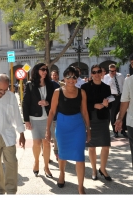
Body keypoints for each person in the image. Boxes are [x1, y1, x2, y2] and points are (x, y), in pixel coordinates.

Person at [45, 66, 91, 194]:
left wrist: (89, 129)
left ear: (77, 79)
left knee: (80, 156)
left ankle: (80, 186)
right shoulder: (57, 92)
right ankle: (61, 174)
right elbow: (52, 111)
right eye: (68, 76)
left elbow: (85, 112)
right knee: (62, 154)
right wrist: (47, 130)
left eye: (74, 77)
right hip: (62, 126)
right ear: (64, 78)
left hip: (78, 126)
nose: (71, 79)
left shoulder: (81, 92)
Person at [22, 63, 55, 178]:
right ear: (36, 71)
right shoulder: (30, 84)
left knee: (46, 142)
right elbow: (25, 103)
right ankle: (36, 161)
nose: (45, 71)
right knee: (37, 142)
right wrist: (26, 120)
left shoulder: (51, 84)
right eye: (42, 69)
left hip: (48, 118)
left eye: (46, 70)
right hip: (35, 118)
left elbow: (55, 100)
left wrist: (48, 103)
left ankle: (46, 167)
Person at [81, 65, 112, 182]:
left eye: (99, 71)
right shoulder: (85, 87)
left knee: (105, 145)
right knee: (92, 146)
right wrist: (94, 105)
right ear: (91, 74)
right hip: (90, 118)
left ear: (102, 73)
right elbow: (82, 104)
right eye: (94, 72)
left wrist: (107, 104)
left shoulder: (106, 87)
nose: (97, 74)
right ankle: (94, 170)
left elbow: (111, 103)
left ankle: (103, 169)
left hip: (103, 119)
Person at [115, 74, 133, 170]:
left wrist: (120, 119)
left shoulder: (129, 80)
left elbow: (125, 101)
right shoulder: (129, 80)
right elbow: (125, 101)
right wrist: (120, 119)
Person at [103, 64, 127, 138]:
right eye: (111, 71)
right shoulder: (106, 77)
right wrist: (111, 78)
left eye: (114, 71)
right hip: (113, 96)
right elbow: (106, 87)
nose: (113, 72)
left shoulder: (120, 75)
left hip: (121, 95)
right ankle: (115, 131)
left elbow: (124, 85)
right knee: (113, 114)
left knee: (123, 113)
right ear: (109, 70)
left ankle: (123, 130)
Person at [50, 70, 64, 161]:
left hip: (59, 113)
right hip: (50, 113)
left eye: (56, 75)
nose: (55, 76)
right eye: (53, 75)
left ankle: (57, 152)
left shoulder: (62, 84)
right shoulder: (49, 85)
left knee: (57, 136)